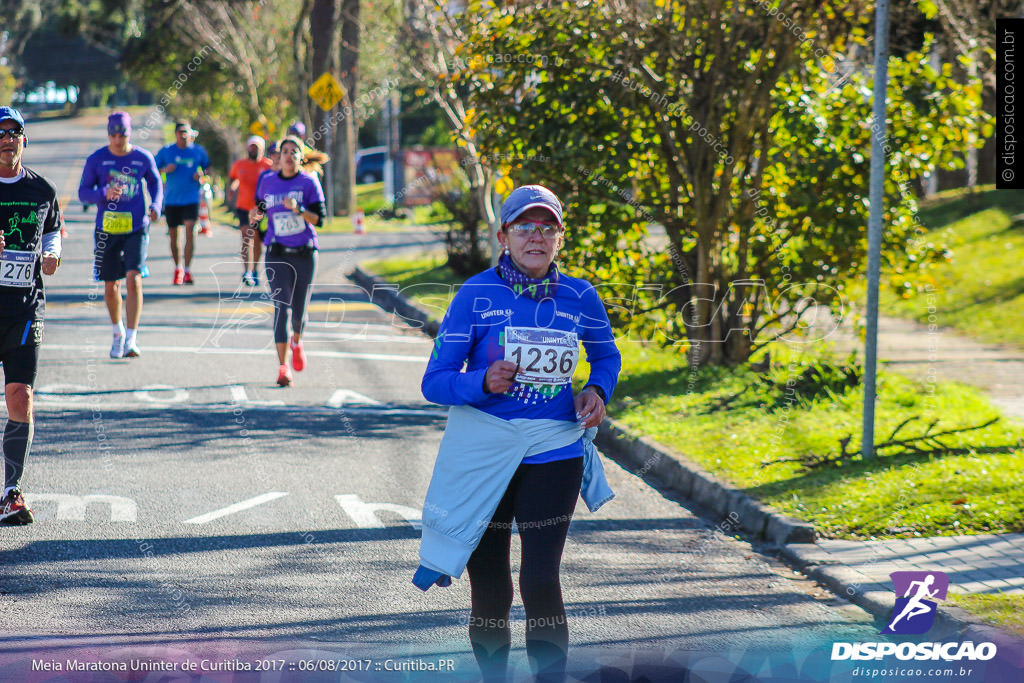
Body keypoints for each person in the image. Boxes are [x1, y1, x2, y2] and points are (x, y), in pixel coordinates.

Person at [418, 185, 621, 682]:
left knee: (539, 580)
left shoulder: (580, 295)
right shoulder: (476, 294)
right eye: (525, 227)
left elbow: (607, 355)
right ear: (503, 236)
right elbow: (434, 381)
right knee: (490, 585)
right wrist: (480, 381)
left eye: (547, 227)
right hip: (484, 449)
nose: (536, 236)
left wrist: (596, 389)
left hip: (554, 449)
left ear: (561, 238)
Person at [0, 106, 63, 525]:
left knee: (20, 397)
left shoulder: (43, 190)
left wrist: (53, 253)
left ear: (25, 140)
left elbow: (54, 230)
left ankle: (11, 492)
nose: (8, 139)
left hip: (24, 309)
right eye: (0, 133)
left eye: (15, 132)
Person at [78, 111, 162, 358]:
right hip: (107, 229)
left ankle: (133, 339)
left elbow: (156, 184)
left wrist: (156, 207)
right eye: (113, 134)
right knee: (110, 285)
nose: (117, 139)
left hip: (136, 227)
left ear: (129, 133)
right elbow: (83, 193)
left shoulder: (142, 157)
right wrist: (103, 193)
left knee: (134, 278)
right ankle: (118, 333)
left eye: (122, 134)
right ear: (108, 134)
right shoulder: (97, 159)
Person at [250, 136, 326, 387]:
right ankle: (283, 367)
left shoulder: (308, 182)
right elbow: (259, 208)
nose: (289, 155)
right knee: (281, 308)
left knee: (299, 311)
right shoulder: (267, 181)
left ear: (301, 157)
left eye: (295, 152)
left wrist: (299, 210)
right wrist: (255, 214)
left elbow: (319, 220)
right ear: (278, 156)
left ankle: (297, 340)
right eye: (285, 151)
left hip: (305, 252)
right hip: (277, 253)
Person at [155, 120, 209, 285]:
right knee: (174, 236)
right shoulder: (167, 151)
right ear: (175, 134)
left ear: (190, 134)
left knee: (190, 231)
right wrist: (165, 170)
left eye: (186, 132)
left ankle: (187, 270)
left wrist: (202, 176)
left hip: (191, 198)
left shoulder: (198, 151)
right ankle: (177, 268)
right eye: (180, 132)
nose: (183, 136)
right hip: (172, 199)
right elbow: (152, 169)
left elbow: (208, 169)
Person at [228, 135, 272, 286]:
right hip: (243, 206)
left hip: (260, 207)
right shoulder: (240, 164)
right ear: (247, 148)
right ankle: (247, 270)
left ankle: (254, 269)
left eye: (257, 147)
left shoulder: (267, 166)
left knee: (257, 241)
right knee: (247, 236)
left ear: (262, 149)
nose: (253, 150)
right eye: (251, 147)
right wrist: (232, 189)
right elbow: (233, 178)